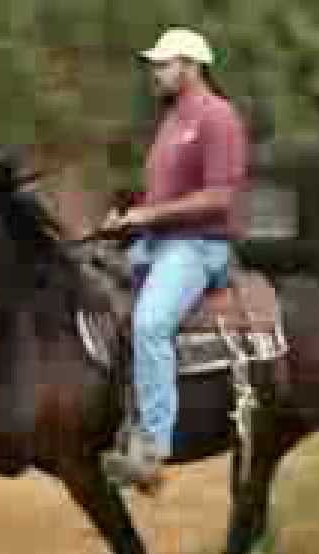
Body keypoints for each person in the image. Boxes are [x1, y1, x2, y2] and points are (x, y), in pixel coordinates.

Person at [99, 27, 250, 492]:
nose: (156, 72)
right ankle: (122, 418)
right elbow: (164, 196)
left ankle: (154, 449)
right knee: (94, 300)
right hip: (158, 243)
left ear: (191, 66)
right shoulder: (172, 122)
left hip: (199, 247)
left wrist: (150, 214)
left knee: (149, 325)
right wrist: (128, 221)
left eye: (164, 64)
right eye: (156, 64)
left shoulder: (217, 117)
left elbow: (221, 197)